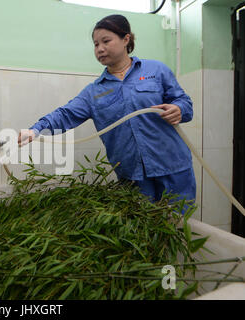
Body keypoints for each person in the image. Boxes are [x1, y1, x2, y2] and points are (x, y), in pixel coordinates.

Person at [17, 14, 196, 214]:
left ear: (126, 39)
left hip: (173, 167)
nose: (100, 49)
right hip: (133, 177)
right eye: (95, 44)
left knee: (179, 229)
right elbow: (65, 115)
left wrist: (179, 109)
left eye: (106, 41)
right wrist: (35, 130)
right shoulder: (94, 92)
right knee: (142, 234)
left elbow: (185, 103)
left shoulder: (156, 70)